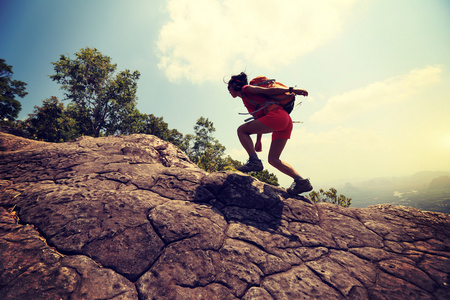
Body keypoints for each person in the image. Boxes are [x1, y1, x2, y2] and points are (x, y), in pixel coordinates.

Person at [227, 72, 313, 195]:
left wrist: (293, 90)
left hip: (277, 117)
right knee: (273, 159)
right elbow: (260, 118)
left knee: (241, 130)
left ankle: (254, 161)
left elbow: (268, 92)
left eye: (229, 88)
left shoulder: (246, 89)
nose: (229, 91)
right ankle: (301, 182)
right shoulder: (248, 100)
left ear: (235, 86)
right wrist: (258, 140)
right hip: (285, 121)